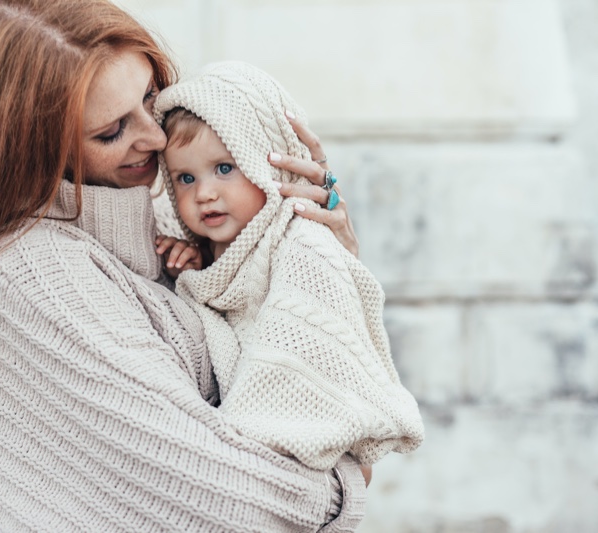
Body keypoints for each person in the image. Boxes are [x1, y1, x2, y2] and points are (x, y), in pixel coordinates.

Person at [0, 1, 369, 531]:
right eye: (111, 132)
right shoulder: (36, 276)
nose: (155, 138)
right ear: (28, 151)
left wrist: (313, 250)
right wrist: (343, 481)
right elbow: (217, 495)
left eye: (150, 95)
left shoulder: (171, 220)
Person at [151, 62, 424, 472]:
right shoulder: (205, 255)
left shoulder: (302, 242)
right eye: (185, 178)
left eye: (225, 168)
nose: (205, 193)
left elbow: (303, 342)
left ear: (270, 167)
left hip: (287, 451)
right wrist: (192, 269)